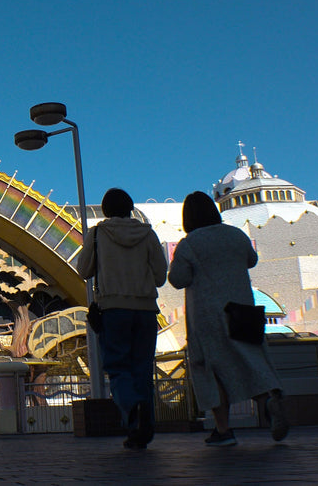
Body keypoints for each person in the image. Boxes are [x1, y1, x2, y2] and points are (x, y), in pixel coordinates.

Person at [168, 191, 288, 447]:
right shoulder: (236, 235)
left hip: (208, 319)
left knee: (213, 372)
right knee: (248, 362)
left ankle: (223, 430)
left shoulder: (189, 244)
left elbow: (178, 280)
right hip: (243, 312)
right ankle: (267, 401)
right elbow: (251, 260)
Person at [77, 188, 168, 450]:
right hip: (146, 311)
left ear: (104, 210)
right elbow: (161, 276)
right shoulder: (148, 234)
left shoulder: (97, 234)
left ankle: (131, 409)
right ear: (130, 208)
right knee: (142, 370)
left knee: (118, 367)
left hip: (113, 309)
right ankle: (143, 429)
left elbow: (84, 270)